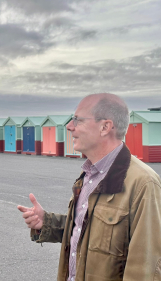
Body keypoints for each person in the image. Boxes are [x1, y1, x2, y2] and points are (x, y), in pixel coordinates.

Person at [18, 93, 161, 280]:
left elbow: (145, 269)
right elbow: (87, 231)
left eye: (77, 120)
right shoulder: (89, 175)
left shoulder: (143, 183)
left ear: (105, 127)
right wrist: (46, 222)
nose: (69, 126)